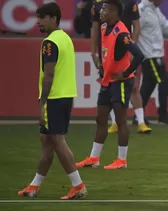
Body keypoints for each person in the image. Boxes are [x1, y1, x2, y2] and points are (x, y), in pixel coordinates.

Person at [17, 2, 87, 200]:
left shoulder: (50, 43)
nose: (38, 22)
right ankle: (34, 186)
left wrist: (42, 103)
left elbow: (48, 75)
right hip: (65, 96)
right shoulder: (65, 38)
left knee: (57, 140)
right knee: (47, 142)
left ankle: (78, 185)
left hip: (54, 98)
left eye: (42, 18)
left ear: (53, 19)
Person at [76, 0, 144, 169]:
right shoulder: (105, 27)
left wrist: (126, 74)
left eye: (105, 9)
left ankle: (122, 160)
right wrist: (102, 63)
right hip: (107, 80)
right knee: (100, 119)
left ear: (114, 12)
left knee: (121, 121)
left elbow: (139, 55)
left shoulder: (122, 33)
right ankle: (94, 158)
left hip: (119, 82)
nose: (101, 11)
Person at [91, 0, 152, 134]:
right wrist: (93, 51)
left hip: (124, 48)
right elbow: (95, 27)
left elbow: (136, 26)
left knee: (133, 86)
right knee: (107, 84)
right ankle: (114, 123)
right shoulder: (99, 4)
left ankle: (141, 122)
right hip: (107, 50)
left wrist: (131, 48)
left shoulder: (130, 3)